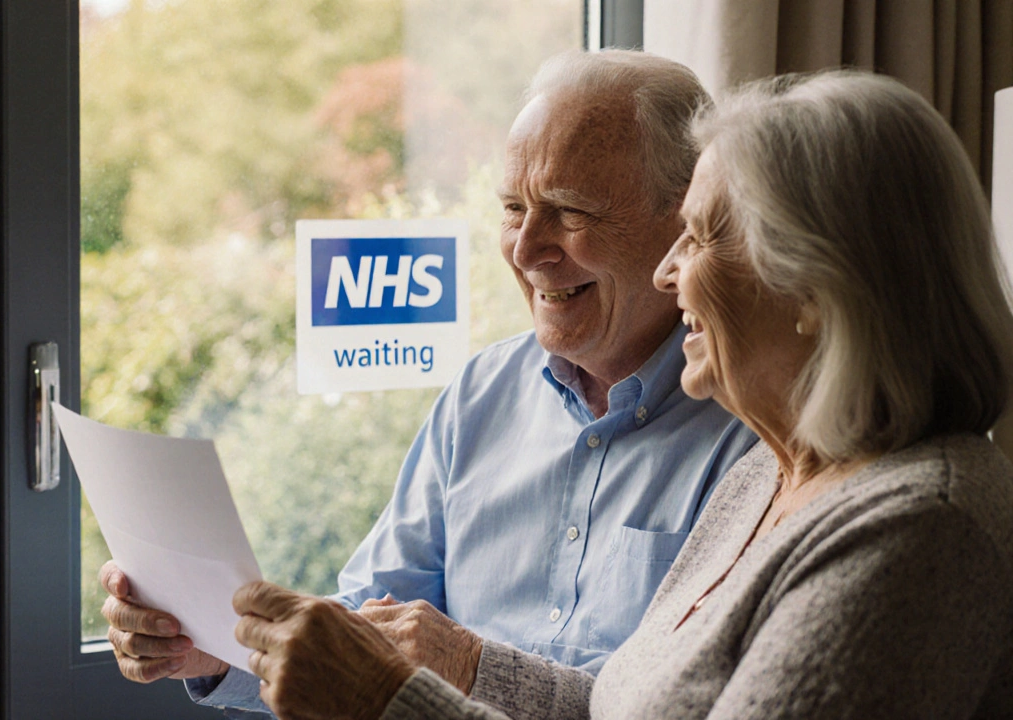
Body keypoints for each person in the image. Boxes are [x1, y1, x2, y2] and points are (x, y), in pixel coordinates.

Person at [231, 70, 1013, 719]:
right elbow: (615, 706)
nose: (672, 274)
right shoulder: (771, 479)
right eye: (512, 208)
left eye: (701, 237)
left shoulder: (920, 528)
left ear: (814, 287)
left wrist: (390, 701)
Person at [99, 49, 757, 714]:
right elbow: (365, 628)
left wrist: (470, 665)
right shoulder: (482, 391)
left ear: (686, 219)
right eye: (512, 208)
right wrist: (217, 646)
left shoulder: (758, 433)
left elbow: (679, 707)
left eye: (569, 210)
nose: (526, 251)